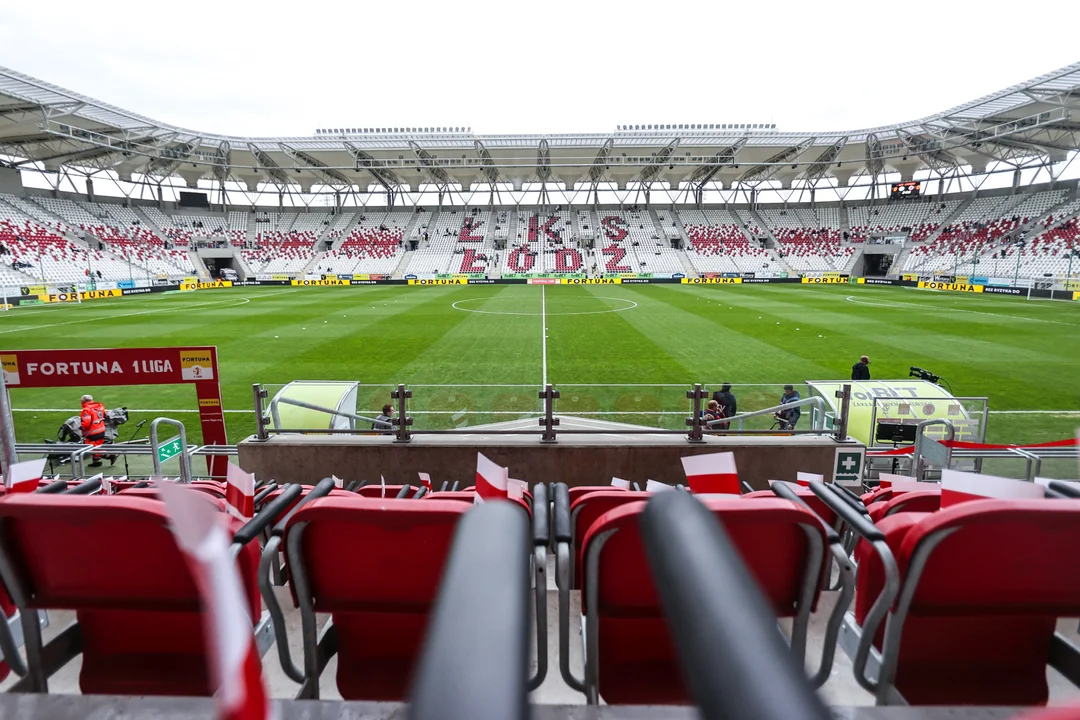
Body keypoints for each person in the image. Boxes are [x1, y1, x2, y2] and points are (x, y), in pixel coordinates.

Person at [80, 394, 107, 467]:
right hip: (101, 429)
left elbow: (86, 423)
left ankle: (109, 455)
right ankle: (96, 462)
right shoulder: (100, 406)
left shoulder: (86, 410)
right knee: (98, 446)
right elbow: (105, 416)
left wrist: (81, 427)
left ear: (84, 401)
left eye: (81, 401)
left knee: (91, 447)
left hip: (92, 432)